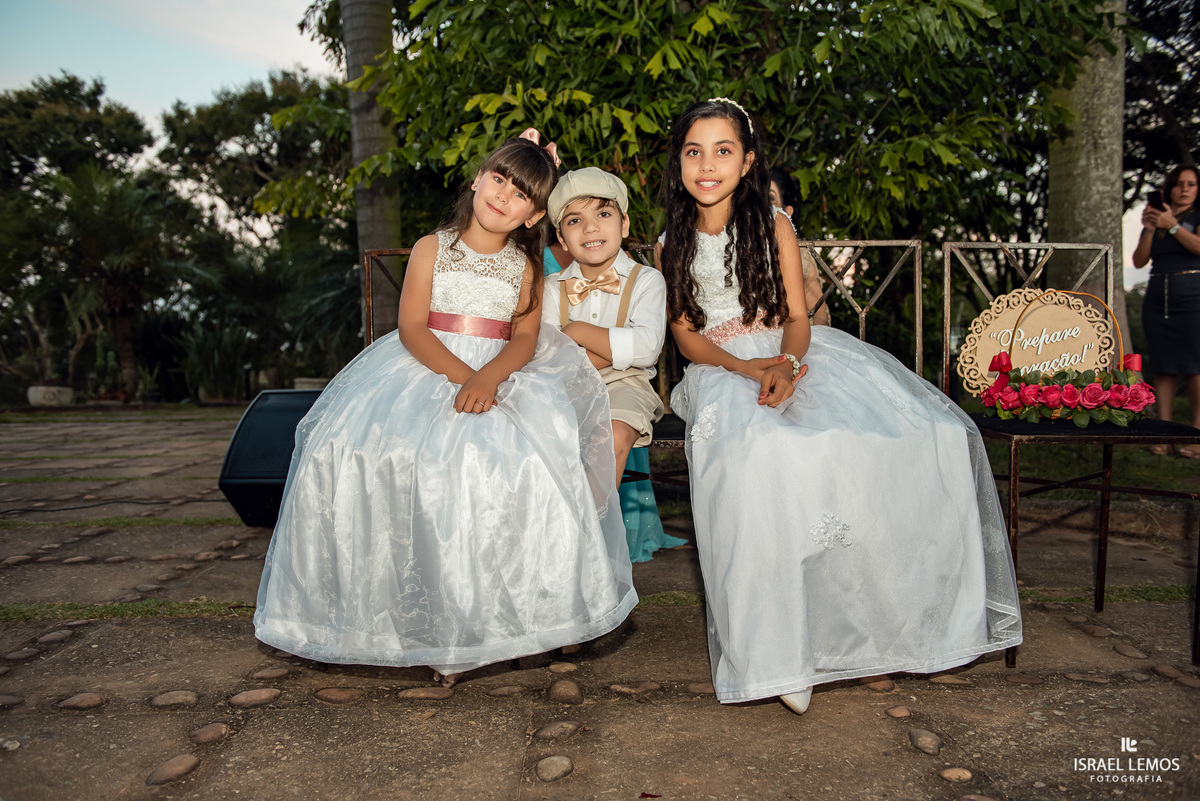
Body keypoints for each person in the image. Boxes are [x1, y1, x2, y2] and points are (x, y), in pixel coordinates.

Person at [657, 99, 1022, 714]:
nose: (708, 164)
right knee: (760, 450)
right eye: (695, 151)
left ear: (747, 162)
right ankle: (778, 650)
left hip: (797, 352)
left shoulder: (773, 225)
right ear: (680, 162)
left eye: (723, 150)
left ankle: (882, 621)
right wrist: (749, 367)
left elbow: (798, 318)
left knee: (915, 435)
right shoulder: (674, 240)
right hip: (720, 369)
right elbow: (687, 334)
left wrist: (790, 367)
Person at [254, 132, 638, 687]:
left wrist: (490, 377)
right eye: (500, 179)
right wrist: (463, 377)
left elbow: (525, 339)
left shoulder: (525, 267)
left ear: (534, 217)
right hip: (424, 366)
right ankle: (403, 623)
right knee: (354, 450)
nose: (504, 196)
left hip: (500, 372)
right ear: (479, 178)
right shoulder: (433, 247)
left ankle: (492, 626)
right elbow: (411, 326)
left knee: (504, 465)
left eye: (522, 194)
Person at [542, 177, 685, 563]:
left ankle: (586, 542)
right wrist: (596, 347)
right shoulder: (551, 288)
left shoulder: (647, 281)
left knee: (613, 434)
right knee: (543, 435)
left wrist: (577, 331)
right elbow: (546, 355)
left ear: (623, 224)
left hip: (627, 383)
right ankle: (545, 532)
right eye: (574, 220)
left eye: (603, 214)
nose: (590, 227)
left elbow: (645, 348)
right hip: (563, 384)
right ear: (561, 236)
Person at [1132, 163, 1200, 457]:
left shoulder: (1197, 217)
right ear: (1169, 188)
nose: (1184, 189)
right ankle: (1163, 434)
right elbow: (1138, 260)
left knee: (1195, 368)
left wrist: (1172, 225)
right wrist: (1150, 229)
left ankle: (1195, 437)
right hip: (1157, 301)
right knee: (1163, 368)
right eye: (1179, 183)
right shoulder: (1157, 220)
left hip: (1193, 299)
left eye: (1191, 184)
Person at [768, 166, 830, 327]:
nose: (761, 206)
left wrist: (815, 346)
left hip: (794, 338)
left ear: (787, 211)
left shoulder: (800, 254)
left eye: (770, 199)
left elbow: (819, 313)